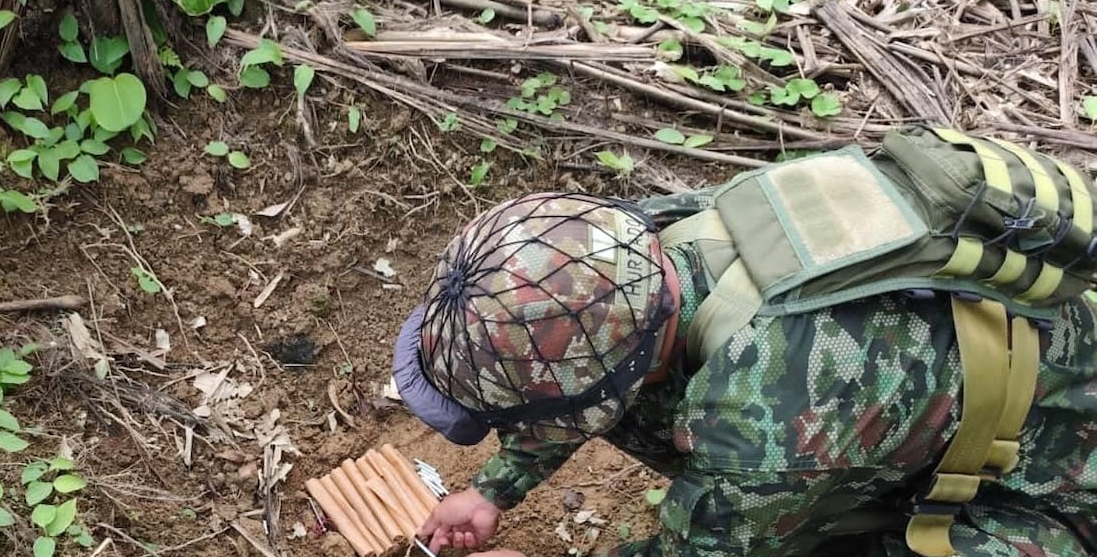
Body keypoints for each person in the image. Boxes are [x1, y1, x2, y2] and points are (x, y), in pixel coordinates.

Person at [390, 161, 1097, 557]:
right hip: (948, 372)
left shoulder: (763, 423)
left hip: (1058, 482)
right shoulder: (624, 244)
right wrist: (494, 489)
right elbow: (575, 364)